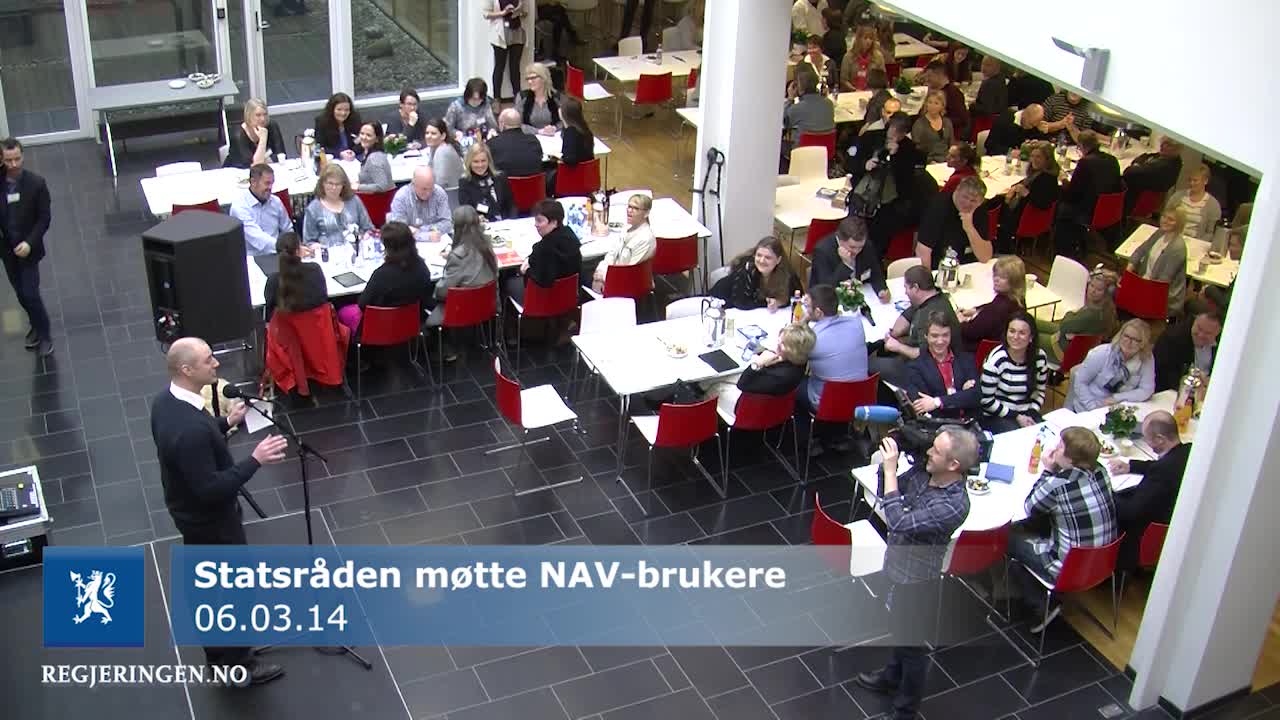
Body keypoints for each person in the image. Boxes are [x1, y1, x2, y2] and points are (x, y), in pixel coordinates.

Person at [151, 337, 289, 686]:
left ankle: (220, 655)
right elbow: (211, 488)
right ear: (187, 369)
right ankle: (238, 664)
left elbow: (194, 443)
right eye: (208, 360)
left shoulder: (166, 403)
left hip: (188, 515)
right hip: (212, 522)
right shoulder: (191, 429)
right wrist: (255, 460)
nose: (216, 364)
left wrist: (226, 424)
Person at [855, 429, 975, 720]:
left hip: (917, 580)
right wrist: (888, 470)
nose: (929, 453)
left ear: (954, 465)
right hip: (896, 564)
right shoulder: (925, 474)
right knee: (899, 630)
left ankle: (905, 710)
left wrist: (891, 469)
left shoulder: (953, 504)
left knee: (913, 648)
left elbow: (897, 521)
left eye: (935, 450)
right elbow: (891, 493)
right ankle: (891, 676)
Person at [1009, 426, 1116, 630]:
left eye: (1059, 446)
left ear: (1070, 459)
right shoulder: (1101, 470)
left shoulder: (1057, 484)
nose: (1055, 449)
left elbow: (1031, 507)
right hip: (1103, 561)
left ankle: (1040, 604)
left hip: (1068, 568)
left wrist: (1048, 470)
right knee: (1045, 524)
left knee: (1008, 536)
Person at [1107, 411, 1191, 570]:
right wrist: (1131, 466)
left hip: (1143, 534)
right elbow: (1161, 465)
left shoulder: (1162, 473)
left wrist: (1107, 495)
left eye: (1147, 438)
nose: (1146, 441)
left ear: (1160, 439)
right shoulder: (1187, 451)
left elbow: (1131, 512)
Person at [799, 284, 869, 455]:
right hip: (860, 397)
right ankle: (836, 435)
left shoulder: (814, 339)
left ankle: (806, 439)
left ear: (818, 312)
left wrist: (803, 322)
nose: (805, 309)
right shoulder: (857, 324)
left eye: (808, 307)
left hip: (828, 401)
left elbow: (793, 352)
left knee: (793, 384)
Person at [850, 113, 931, 257]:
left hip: (889, 205)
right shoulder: (871, 138)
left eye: (899, 132)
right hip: (863, 197)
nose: (893, 134)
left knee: (878, 242)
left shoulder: (908, 149)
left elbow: (906, 181)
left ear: (905, 134)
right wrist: (865, 164)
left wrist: (895, 157)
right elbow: (850, 163)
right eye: (892, 129)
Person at [0, 138, 53, 356]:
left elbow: (44, 218)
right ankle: (35, 324)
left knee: (30, 293)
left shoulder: (36, 184)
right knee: (20, 293)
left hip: (28, 249)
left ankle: (45, 334)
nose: (13, 165)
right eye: (8, 160)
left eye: (17, 159)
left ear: (23, 156)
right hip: (7, 248)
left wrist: (29, 243)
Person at [337, 221, 435, 334]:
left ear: (388, 247)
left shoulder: (381, 275)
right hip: (413, 325)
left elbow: (362, 304)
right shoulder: (421, 267)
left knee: (343, 311)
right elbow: (425, 297)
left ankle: (349, 350)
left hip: (381, 329)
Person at [429, 206, 499, 359]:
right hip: (487, 304)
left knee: (429, 296)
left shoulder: (457, 256)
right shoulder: (487, 245)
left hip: (462, 310)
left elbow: (442, 292)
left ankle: (447, 348)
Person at [872, 265, 961, 386]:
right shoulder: (935, 297)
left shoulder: (931, 317)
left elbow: (927, 356)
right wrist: (894, 334)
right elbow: (907, 316)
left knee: (870, 364)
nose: (905, 292)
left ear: (915, 287)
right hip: (920, 353)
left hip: (929, 371)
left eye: (906, 288)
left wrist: (898, 347)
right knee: (880, 349)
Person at [709, 323, 815, 421]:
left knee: (712, 385)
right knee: (725, 377)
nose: (778, 343)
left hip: (750, 411)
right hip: (773, 404)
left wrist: (757, 363)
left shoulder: (780, 377)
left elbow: (743, 384)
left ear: (793, 351)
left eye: (783, 343)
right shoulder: (800, 363)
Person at [1054, 130, 1121, 259]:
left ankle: (1063, 250)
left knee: (1060, 204)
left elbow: (1072, 193)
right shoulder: (1112, 160)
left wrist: (1063, 179)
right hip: (1110, 209)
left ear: (1082, 146)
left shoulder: (1085, 163)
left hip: (1089, 211)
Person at [979, 312, 1048, 433]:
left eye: (1022, 333)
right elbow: (986, 401)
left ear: (1031, 337)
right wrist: (1016, 416)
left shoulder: (1040, 358)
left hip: (1027, 412)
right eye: (1012, 331)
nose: (1015, 337)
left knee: (1045, 436)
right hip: (998, 414)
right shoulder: (996, 361)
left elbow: (1040, 391)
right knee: (1020, 438)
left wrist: (1031, 412)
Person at [1065, 319, 1156, 411]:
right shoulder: (1101, 353)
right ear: (1120, 335)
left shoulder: (1146, 358)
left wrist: (1117, 398)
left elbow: (1147, 390)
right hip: (1088, 407)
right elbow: (1080, 382)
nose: (1129, 342)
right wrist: (1093, 407)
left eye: (1136, 340)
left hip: (1120, 408)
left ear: (1143, 344)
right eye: (1126, 336)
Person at [903, 311, 981, 419]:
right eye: (934, 336)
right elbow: (922, 407)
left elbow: (976, 396)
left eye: (945, 335)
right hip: (940, 426)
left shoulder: (966, 359)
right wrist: (961, 394)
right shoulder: (914, 368)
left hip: (971, 422)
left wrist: (937, 402)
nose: (940, 341)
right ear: (926, 336)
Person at [505, 199, 581, 306]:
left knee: (510, 283)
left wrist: (525, 271)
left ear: (554, 222)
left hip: (544, 303)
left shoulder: (542, 249)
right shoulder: (572, 239)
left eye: (540, 221)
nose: (536, 225)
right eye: (535, 220)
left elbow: (538, 280)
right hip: (569, 300)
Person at [1035, 267, 1118, 363]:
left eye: (1098, 289)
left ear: (1107, 293)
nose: (1092, 291)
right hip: (1066, 340)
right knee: (1031, 321)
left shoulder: (1092, 314)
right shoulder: (1107, 308)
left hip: (1061, 351)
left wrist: (1070, 313)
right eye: (1091, 285)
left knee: (1028, 334)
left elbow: (1064, 325)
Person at [994, 140, 1060, 253]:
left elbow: (1043, 204)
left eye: (1038, 157)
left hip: (1026, 219)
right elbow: (1025, 183)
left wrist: (1026, 193)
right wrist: (1015, 188)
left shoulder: (1047, 179)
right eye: (1032, 156)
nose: (1034, 160)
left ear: (1047, 159)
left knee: (993, 205)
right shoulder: (1037, 173)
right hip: (1023, 213)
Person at [916, 175, 992, 269]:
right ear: (957, 191)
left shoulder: (979, 211)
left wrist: (969, 229)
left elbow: (985, 257)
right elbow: (923, 250)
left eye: (973, 201)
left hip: (968, 265)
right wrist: (927, 280)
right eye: (964, 197)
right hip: (939, 265)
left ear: (980, 202)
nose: (967, 203)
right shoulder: (937, 207)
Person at [807, 215, 890, 302]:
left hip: (860, 297)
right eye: (852, 247)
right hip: (829, 302)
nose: (857, 251)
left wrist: (881, 290)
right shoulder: (822, 251)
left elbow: (875, 272)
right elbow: (826, 288)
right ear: (840, 239)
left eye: (860, 247)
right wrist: (846, 265)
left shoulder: (867, 246)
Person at [709, 236, 802, 311]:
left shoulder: (788, 275)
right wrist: (768, 302)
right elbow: (742, 303)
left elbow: (798, 298)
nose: (761, 260)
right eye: (759, 255)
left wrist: (779, 302)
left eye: (768, 257)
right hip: (715, 301)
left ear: (778, 260)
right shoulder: (746, 269)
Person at [1127, 206, 1189, 316]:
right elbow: (1141, 250)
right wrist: (1128, 273)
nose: (1165, 221)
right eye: (1164, 216)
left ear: (1178, 223)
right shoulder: (1160, 233)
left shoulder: (1177, 248)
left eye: (1171, 219)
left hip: (1162, 296)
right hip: (1145, 284)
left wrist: (1139, 290)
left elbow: (1163, 280)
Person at [958, 254, 1025, 347]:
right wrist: (976, 310)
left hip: (978, 350)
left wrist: (960, 321)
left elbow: (971, 331)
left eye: (1002, 277)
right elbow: (990, 308)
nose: (996, 279)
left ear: (1014, 281)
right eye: (995, 275)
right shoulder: (1016, 299)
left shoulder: (999, 308)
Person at [592, 193, 655, 293]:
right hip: (611, 277)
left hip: (627, 285)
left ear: (646, 213)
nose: (629, 211)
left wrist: (603, 278)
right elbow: (611, 255)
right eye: (629, 206)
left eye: (635, 208)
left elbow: (628, 272)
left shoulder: (646, 239)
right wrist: (599, 273)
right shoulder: (626, 229)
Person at [229, 163, 294, 256]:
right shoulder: (239, 207)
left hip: (278, 255)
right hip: (251, 258)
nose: (270, 188)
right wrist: (285, 248)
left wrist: (293, 245)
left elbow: (287, 229)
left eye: (272, 183)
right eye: (267, 183)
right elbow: (257, 237)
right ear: (253, 182)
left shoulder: (276, 202)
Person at [302, 164, 373, 247]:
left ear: (343, 185)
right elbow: (308, 242)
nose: (334, 188)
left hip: (357, 251)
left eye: (338, 184)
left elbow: (368, 228)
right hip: (328, 255)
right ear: (322, 184)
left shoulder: (354, 201)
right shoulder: (313, 209)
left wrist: (366, 236)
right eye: (330, 183)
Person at [1152, 308, 1222, 391]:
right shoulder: (1172, 338)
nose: (1201, 335)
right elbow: (1164, 375)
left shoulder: (1224, 344)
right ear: (1194, 321)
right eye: (1199, 328)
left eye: (1208, 333)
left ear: (1218, 333)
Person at [263, 232, 328, 322]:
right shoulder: (315, 270)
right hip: (316, 330)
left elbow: (269, 313)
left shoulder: (273, 281)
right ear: (298, 251)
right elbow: (323, 299)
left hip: (286, 333)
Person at [1122, 136, 1183, 217]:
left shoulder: (1163, 167)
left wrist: (1137, 164)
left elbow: (1128, 172)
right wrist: (1138, 164)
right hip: (1140, 196)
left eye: (1167, 144)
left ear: (1176, 149)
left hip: (1132, 201)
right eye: (1163, 143)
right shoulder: (1173, 159)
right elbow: (1145, 156)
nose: (1162, 146)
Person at [388, 167, 452, 240]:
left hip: (437, 241)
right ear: (413, 184)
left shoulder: (439, 193)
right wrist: (427, 236)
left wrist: (421, 230)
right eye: (424, 189)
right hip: (409, 244)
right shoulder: (401, 198)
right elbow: (399, 231)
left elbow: (447, 223)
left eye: (431, 188)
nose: (428, 193)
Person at [548, 96, 595, 193]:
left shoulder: (571, 132)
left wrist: (559, 158)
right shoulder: (584, 129)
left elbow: (570, 160)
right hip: (586, 176)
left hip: (572, 176)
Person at [458, 143, 515, 222]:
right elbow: (467, 212)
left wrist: (511, 221)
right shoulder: (465, 182)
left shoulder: (500, 177)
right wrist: (477, 219)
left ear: (489, 161)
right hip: (482, 226)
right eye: (476, 161)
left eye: (483, 161)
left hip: (506, 223)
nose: (480, 165)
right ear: (469, 162)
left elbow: (511, 205)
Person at [224, 98, 286, 169]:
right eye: (258, 115)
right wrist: (263, 139)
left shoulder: (272, 125)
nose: (263, 119)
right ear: (249, 116)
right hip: (236, 173)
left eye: (265, 114)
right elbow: (254, 166)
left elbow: (281, 154)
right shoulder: (238, 135)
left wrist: (265, 159)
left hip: (265, 171)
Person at [1164, 164, 1223, 240]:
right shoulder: (1177, 196)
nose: (1191, 183)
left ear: (1205, 181)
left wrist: (1195, 242)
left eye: (1195, 180)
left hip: (1195, 242)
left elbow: (1211, 233)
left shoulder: (1213, 205)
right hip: (1172, 238)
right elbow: (1165, 217)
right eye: (1190, 180)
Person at [485, 0, 527, 102]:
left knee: (515, 67)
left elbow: (526, 13)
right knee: (499, 67)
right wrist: (503, 13)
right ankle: (496, 99)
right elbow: (486, 14)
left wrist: (518, 12)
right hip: (500, 35)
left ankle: (517, 98)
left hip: (517, 33)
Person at [784, 70, 836, 148]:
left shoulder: (797, 108)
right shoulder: (829, 104)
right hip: (825, 152)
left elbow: (784, 122)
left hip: (802, 152)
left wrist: (790, 98)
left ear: (799, 87)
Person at [921, 61, 970, 143]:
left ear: (939, 75)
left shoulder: (953, 93)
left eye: (929, 76)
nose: (927, 80)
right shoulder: (935, 91)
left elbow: (962, 119)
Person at [488, 108, 545, 178]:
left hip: (505, 187)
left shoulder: (493, 143)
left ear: (502, 124)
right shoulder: (533, 140)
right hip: (534, 187)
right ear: (520, 124)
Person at [444, 78, 500, 143]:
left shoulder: (486, 104)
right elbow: (448, 128)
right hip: (463, 140)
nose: (476, 102)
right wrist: (456, 133)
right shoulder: (456, 106)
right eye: (474, 99)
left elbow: (492, 124)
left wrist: (492, 130)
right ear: (467, 95)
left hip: (482, 140)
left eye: (480, 99)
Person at [983, 103, 1048, 157]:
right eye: (1031, 124)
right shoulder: (1004, 119)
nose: (1031, 127)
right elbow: (989, 145)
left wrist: (1042, 133)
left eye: (1035, 125)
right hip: (999, 160)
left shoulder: (1035, 125)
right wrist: (1010, 152)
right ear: (1024, 115)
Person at [313, 92, 363, 158]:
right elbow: (320, 147)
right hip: (333, 158)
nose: (343, 113)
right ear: (332, 109)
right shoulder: (322, 122)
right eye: (339, 109)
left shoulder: (355, 119)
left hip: (353, 158)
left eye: (347, 110)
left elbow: (362, 142)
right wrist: (340, 154)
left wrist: (354, 152)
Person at [518, 62, 562, 136]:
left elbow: (566, 121)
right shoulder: (522, 97)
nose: (529, 81)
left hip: (553, 137)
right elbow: (516, 124)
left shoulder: (556, 97)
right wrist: (538, 131)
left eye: (533, 78)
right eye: (528, 79)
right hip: (530, 138)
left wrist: (555, 128)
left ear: (543, 78)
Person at [911, 90, 954, 163]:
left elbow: (951, 143)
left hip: (947, 161)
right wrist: (929, 161)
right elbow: (916, 149)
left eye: (936, 103)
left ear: (942, 106)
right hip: (929, 162)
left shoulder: (947, 122)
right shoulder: (919, 124)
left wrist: (951, 158)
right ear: (926, 104)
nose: (932, 106)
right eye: (930, 102)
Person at [351, 121, 393, 193]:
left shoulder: (374, 159)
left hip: (375, 201)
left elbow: (382, 186)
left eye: (368, 135)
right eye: (362, 134)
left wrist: (358, 187)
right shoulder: (371, 154)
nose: (364, 137)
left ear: (377, 139)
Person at [840, 25, 886, 92]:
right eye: (865, 38)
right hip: (853, 92)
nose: (868, 41)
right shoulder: (848, 57)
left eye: (871, 38)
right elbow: (844, 80)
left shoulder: (878, 56)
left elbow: (882, 78)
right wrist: (855, 90)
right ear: (859, 39)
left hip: (872, 92)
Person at [423, 117, 465, 189]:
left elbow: (440, 184)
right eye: (427, 133)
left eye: (433, 134)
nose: (429, 136)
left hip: (450, 196)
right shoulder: (434, 147)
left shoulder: (443, 152)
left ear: (443, 136)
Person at [820, 7, 847, 76]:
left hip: (832, 73)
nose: (821, 20)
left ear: (827, 20)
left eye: (823, 18)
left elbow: (824, 57)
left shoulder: (830, 37)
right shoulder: (841, 34)